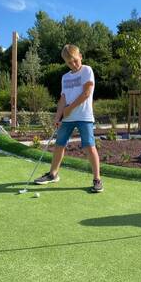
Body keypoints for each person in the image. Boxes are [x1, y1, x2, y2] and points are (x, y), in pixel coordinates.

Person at [34, 44, 103, 193]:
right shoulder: (65, 77)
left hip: (84, 116)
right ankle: (53, 174)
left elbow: (86, 93)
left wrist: (69, 109)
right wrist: (58, 116)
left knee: (89, 146)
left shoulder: (87, 70)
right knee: (59, 145)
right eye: (69, 62)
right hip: (67, 118)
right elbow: (63, 98)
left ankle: (97, 179)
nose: (73, 64)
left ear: (80, 57)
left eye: (75, 60)